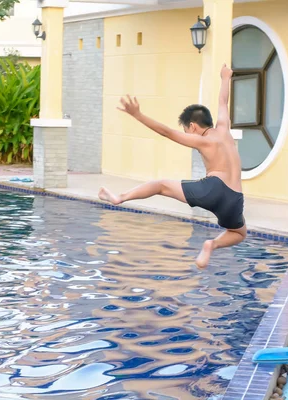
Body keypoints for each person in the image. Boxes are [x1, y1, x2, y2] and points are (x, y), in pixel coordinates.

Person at [98, 64, 246, 269]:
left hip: (214, 188)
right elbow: (223, 101)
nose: (187, 133)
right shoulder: (224, 129)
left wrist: (138, 115)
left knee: (160, 185)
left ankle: (120, 197)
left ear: (192, 126)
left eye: (186, 130)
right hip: (235, 197)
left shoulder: (203, 140)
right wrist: (225, 78)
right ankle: (211, 245)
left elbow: (167, 132)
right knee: (239, 232)